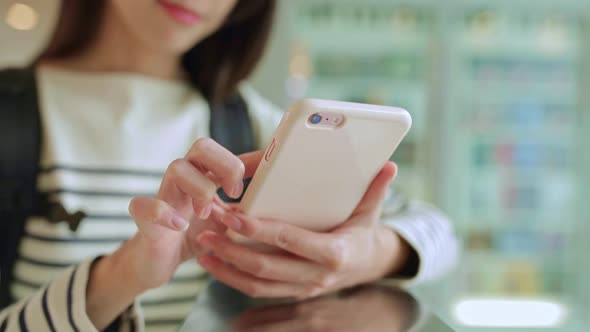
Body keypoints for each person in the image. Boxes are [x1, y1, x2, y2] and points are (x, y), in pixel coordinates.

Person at [0, 0, 458, 331]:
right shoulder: (13, 116)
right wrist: (122, 275)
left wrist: (366, 255)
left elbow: (439, 234)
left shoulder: (249, 123)